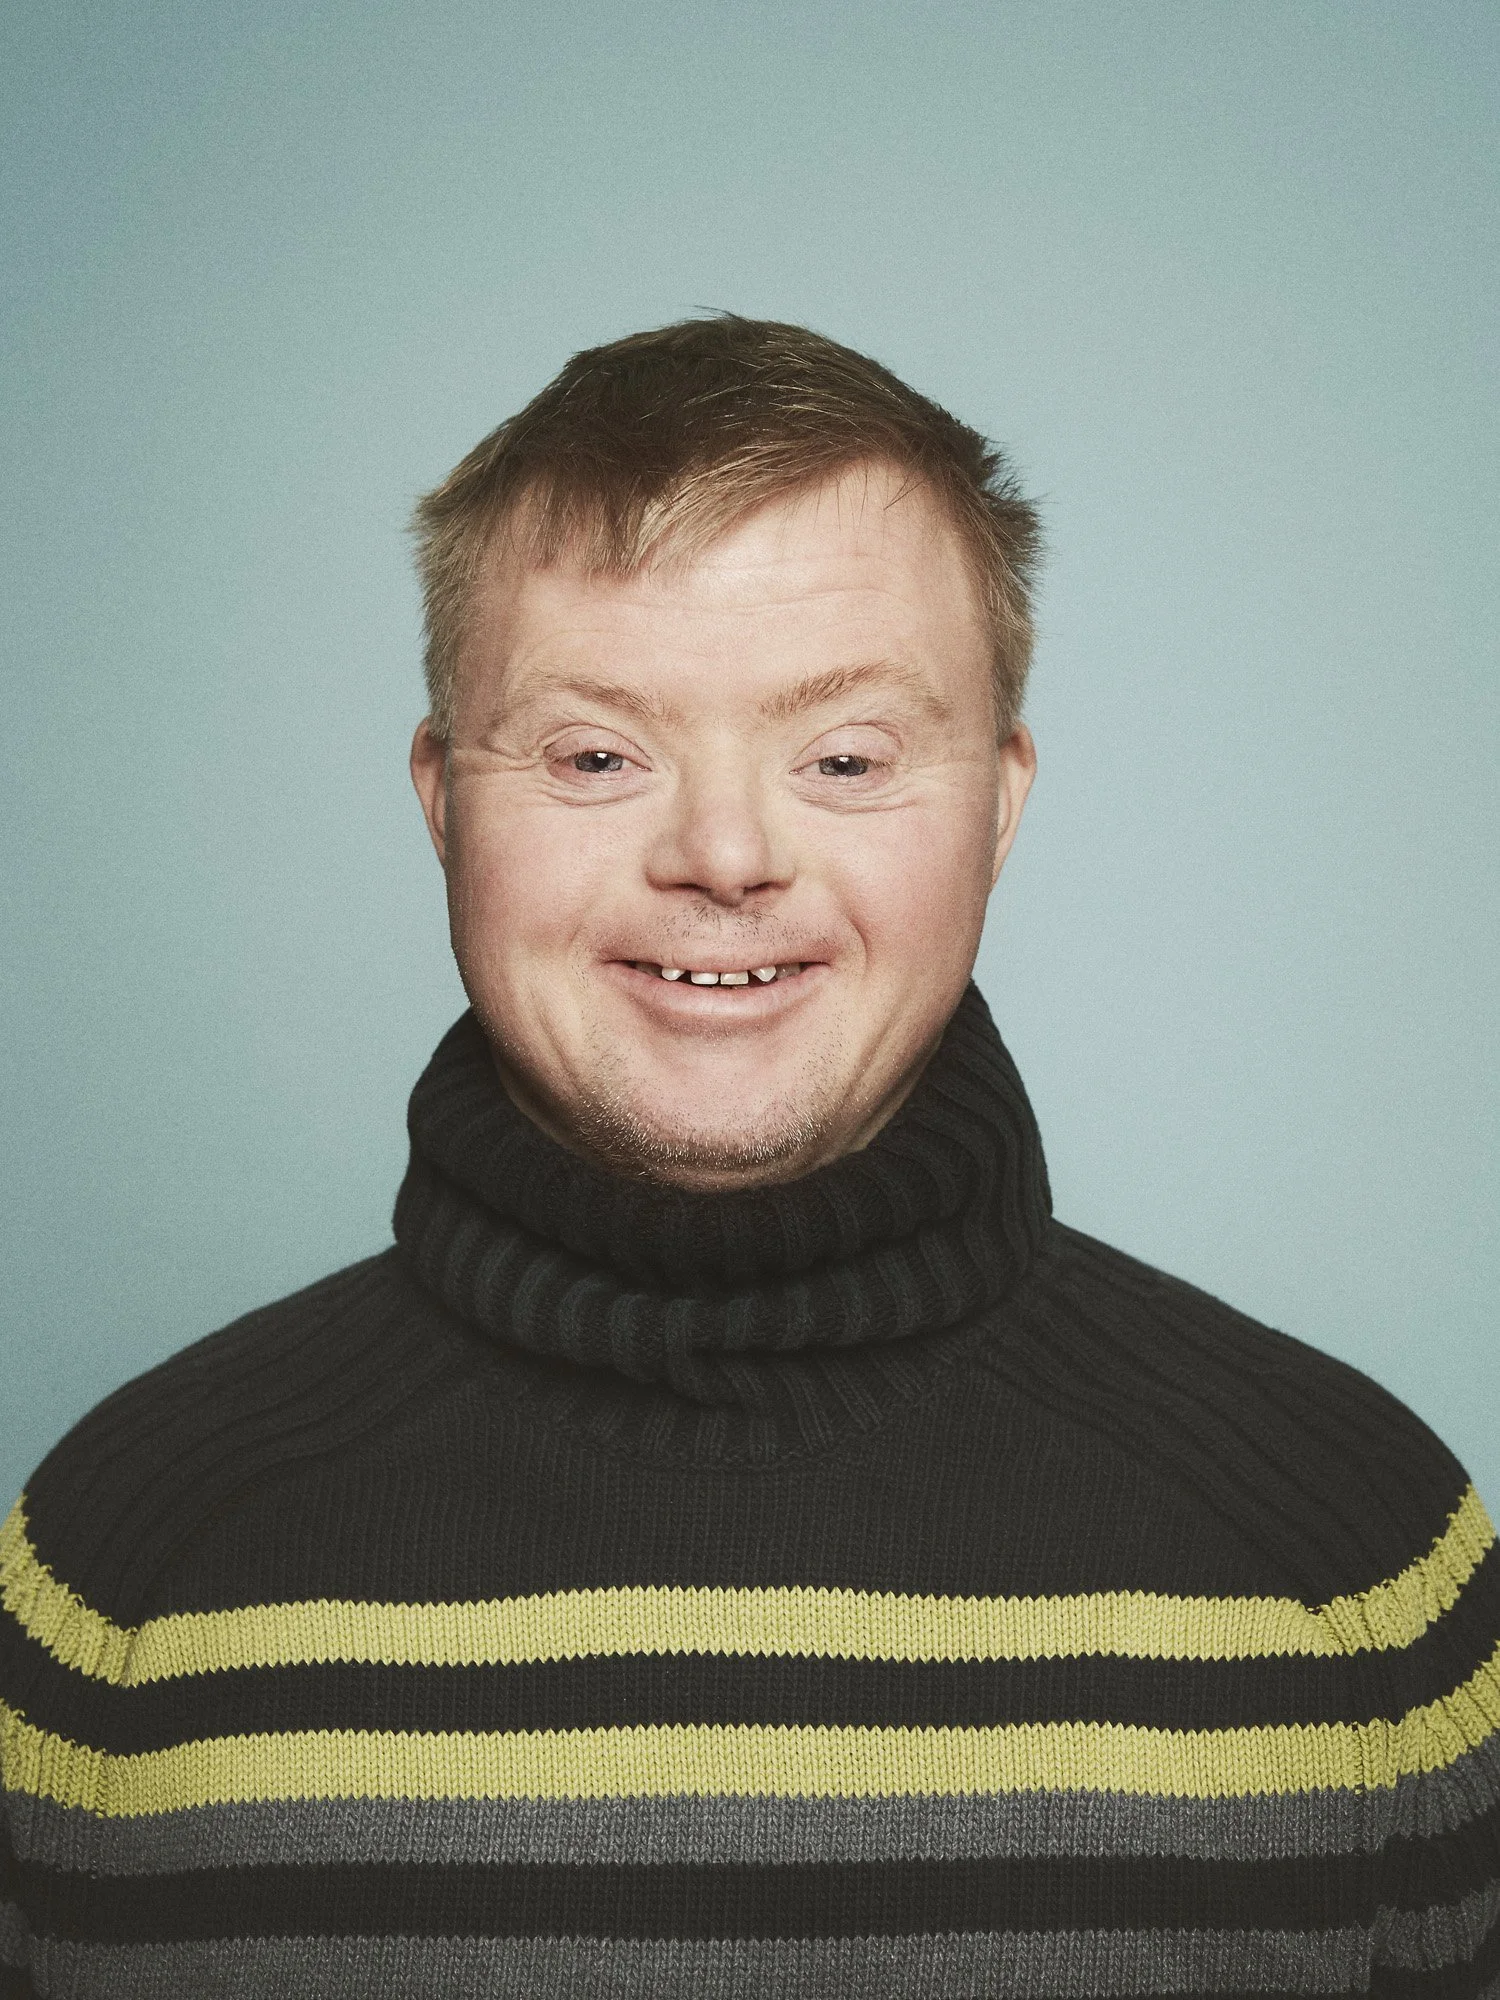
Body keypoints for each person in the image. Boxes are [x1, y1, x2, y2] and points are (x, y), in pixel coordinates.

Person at [1, 315, 1495, 2000]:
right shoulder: (107, 1581)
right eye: (593, 755)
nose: (722, 855)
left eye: (845, 757)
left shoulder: (1368, 1569)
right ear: (444, 803)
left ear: (997, 807)